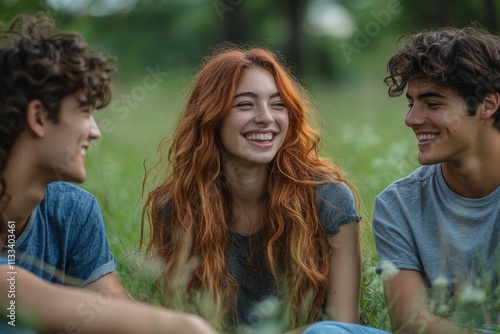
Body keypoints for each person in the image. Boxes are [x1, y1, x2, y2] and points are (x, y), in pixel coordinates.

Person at [141, 44, 388, 334]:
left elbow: (342, 326)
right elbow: (180, 322)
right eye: (245, 104)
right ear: (212, 117)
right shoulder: (177, 207)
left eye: (278, 104)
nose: (266, 117)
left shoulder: (328, 198)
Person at [0, 13, 217, 334]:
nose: (95, 131)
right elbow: (17, 295)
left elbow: (118, 315)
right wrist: (190, 327)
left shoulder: (72, 211)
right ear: (39, 117)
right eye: (85, 111)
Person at [373, 25, 500, 333]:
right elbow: (409, 324)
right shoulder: (398, 205)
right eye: (411, 103)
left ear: (487, 104)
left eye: (433, 103)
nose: (411, 119)